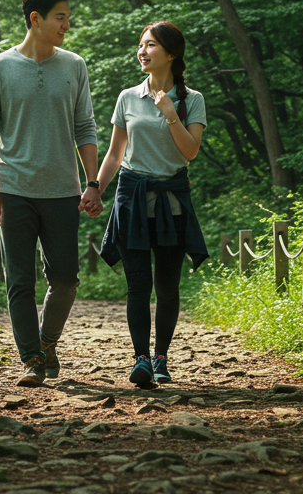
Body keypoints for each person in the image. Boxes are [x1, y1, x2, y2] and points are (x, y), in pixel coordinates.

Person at [0, 0, 103, 387]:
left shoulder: (74, 65)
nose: (67, 24)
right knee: (19, 280)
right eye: (60, 17)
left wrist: (93, 182)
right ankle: (30, 358)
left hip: (64, 189)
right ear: (36, 19)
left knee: (65, 279)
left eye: (67, 16)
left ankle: (48, 342)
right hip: (12, 187)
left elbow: (85, 126)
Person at [94, 21, 209, 386]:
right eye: (141, 45)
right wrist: (94, 187)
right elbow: (114, 154)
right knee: (137, 286)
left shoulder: (193, 100)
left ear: (172, 54)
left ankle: (162, 359)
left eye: (150, 46)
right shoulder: (128, 97)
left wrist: (169, 112)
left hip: (172, 204)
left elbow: (189, 152)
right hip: (132, 202)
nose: (142, 52)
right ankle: (140, 359)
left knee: (168, 286)